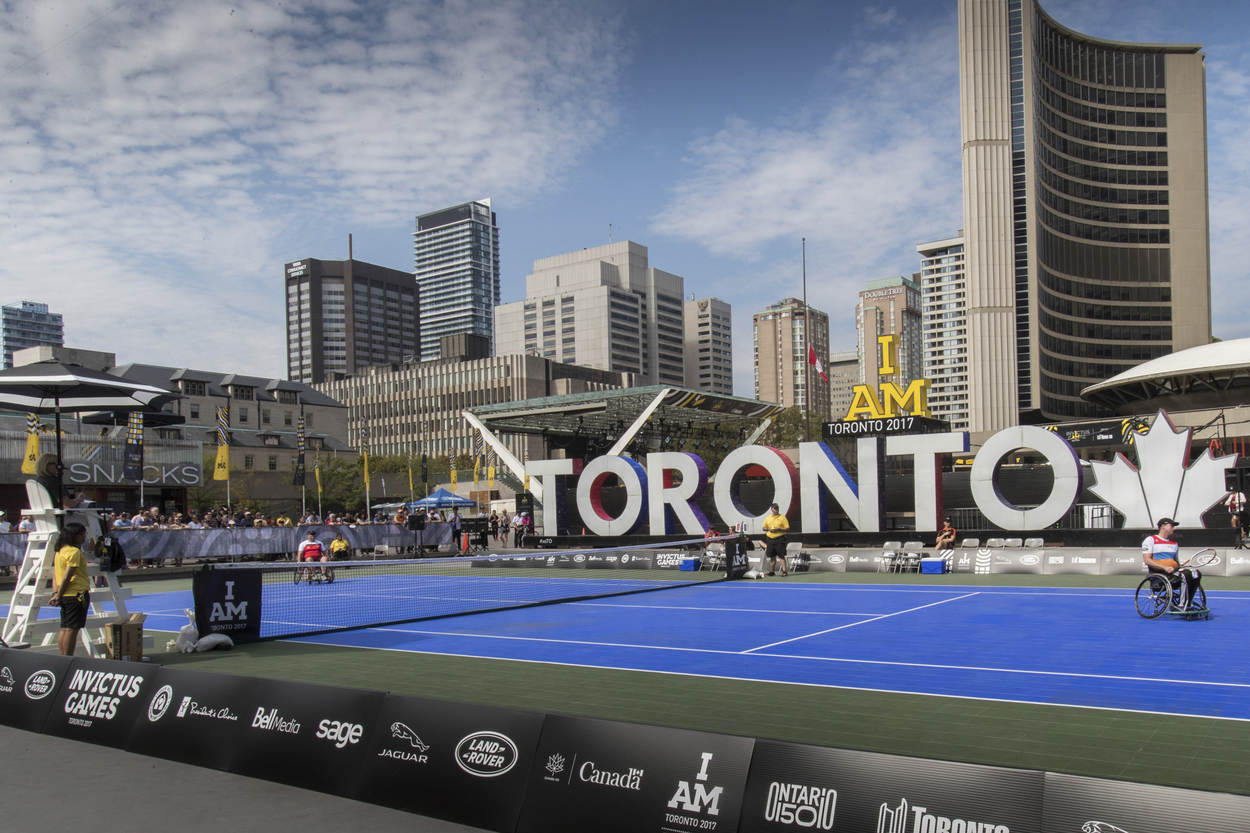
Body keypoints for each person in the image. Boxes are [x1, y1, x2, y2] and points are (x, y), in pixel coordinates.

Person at [1142, 517, 1203, 610]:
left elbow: (1176, 562)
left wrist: (1181, 567)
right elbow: (1147, 560)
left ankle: (1188, 602)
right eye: (1171, 526)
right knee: (1185, 575)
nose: (1173, 528)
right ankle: (1182, 605)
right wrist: (1164, 567)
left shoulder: (1174, 544)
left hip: (1173, 574)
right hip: (1159, 575)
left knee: (1196, 573)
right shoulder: (1150, 540)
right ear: (1163, 527)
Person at [49, 522, 91, 655]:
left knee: (65, 627)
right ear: (75, 535)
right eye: (82, 534)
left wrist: (56, 592)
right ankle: (67, 657)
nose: (84, 537)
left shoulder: (60, 551)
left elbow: (56, 575)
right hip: (77, 594)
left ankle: (63, 657)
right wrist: (58, 594)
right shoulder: (74, 552)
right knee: (72, 629)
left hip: (65, 594)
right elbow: (68, 576)